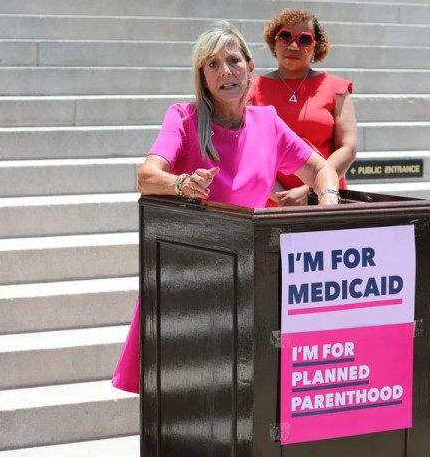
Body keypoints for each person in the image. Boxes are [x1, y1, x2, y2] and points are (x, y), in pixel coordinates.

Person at [112, 20, 340, 394]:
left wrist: (328, 201)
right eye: (213, 64)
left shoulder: (267, 122)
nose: (225, 72)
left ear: (250, 67)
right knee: (183, 399)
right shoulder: (183, 118)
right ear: (202, 76)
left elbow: (320, 168)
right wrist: (182, 184)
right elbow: (146, 176)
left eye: (233, 60)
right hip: (189, 282)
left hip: (248, 279)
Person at [249, 8, 357, 206]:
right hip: (269, 203)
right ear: (274, 43)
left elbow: (347, 148)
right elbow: (245, 149)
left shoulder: (337, 88)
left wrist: (309, 192)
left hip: (325, 201)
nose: (293, 45)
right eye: (285, 36)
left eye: (304, 40)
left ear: (316, 48)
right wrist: (280, 196)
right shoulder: (251, 89)